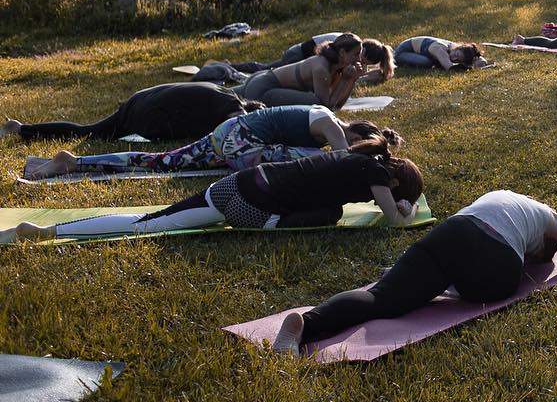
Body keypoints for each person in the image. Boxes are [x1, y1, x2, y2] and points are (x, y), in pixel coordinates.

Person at [271, 189, 557, 355]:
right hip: (496, 258)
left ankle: (306, 324)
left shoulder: (504, 196)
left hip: (453, 232)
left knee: (381, 297)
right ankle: (448, 288)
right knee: (506, 281)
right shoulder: (550, 217)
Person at [1, 139, 422, 244]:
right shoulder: (378, 173)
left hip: (232, 187)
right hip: (253, 208)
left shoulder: (353, 157)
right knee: (328, 213)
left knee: (148, 223)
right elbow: (392, 219)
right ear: (397, 180)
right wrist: (402, 209)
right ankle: (50, 233)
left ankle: (50, 232)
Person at [23, 104, 403, 179]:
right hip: (241, 141)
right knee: (308, 164)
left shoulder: (322, 116)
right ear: (355, 135)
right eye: (358, 146)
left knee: (160, 161)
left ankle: (71, 162)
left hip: (229, 134)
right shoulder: (331, 126)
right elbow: (343, 165)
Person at [1, 82, 259, 142]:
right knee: (89, 134)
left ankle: (20, 128)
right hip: (154, 117)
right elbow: (238, 131)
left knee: (87, 132)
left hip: (138, 101)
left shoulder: (224, 90)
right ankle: (20, 129)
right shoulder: (235, 108)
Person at [195, 37, 395, 87]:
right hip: (298, 53)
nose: (361, 62)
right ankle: (224, 68)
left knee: (262, 68)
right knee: (263, 70)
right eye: (363, 59)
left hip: (302, 54)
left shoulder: (352, 47)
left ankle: (227, 67)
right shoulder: (347, 47)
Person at [239, 33, 367, 108]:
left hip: (260, 82)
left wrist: (352, 79)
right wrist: (345, 80)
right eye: (356, 54)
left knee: (223, 95)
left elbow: (337, 103)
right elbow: (326, 107)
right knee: (315, 104)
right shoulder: (321, 68)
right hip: (262, 88)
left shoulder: (338, 67)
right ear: (343, 53)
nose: (359, 59)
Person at [393, 36, 486, 71]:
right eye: (456, 55)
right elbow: (449, 67)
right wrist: (465, 68)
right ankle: (391, 57)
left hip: (416, 51)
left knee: (431, 62)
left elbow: (479, 60)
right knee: (427, 62)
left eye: (458, 60)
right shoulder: (439, 48)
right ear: (457, 48)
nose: (454, 59)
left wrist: (477, 60)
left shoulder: (453, 48)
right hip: (403, 51)